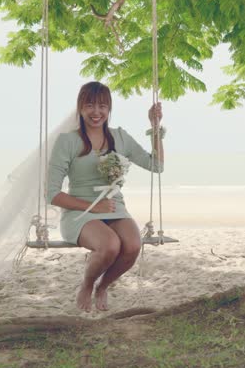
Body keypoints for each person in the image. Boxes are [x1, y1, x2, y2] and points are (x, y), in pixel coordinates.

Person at [47, 81, 164, 312]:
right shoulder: (68, 142)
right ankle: (87, 285)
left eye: (102, 106)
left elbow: (156, 165)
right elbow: (52, 194)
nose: (96, 112)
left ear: (109, 108)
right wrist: (94, 207)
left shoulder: (120, 137)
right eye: (89, 105)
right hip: (79, 212)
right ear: (80, 108)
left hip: (114, 208)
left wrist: (155, 127)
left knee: (132, 245)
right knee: (110, 245)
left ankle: (103, 286)